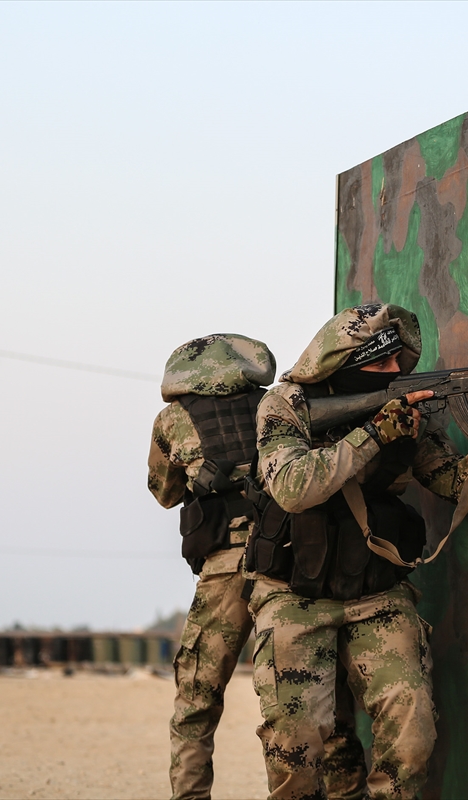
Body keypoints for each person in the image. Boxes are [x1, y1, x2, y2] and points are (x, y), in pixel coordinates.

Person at [243, 303, 468, 799]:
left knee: (412, 736)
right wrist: (373, 435)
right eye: (381, 362)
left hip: (376, 592)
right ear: (344, 362)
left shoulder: (408, 412)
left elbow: (460, 486)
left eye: (399, 360)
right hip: (293, 594)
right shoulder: (286, 405)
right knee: (295, 743)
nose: (397, 371)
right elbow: (292, 488)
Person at [147, 334, 366, 800]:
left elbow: (164, 492)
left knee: (196, 701)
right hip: (289, 563)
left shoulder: (172, 419)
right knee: (322, 700)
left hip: (226, 567)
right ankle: (346, 793)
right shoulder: (282, 404)